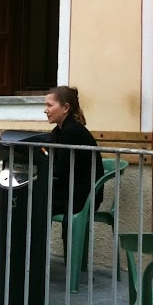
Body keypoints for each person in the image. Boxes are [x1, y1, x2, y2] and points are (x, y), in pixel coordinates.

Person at [44, 86, 104, 251]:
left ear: (65, 108)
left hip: (82, 195)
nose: (45, 110)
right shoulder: (59, 131)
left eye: (50, 105)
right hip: (70, 190)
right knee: (30, 197)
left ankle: (34, 257)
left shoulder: (72, 132)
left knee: (33, 199)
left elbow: (60, 170)